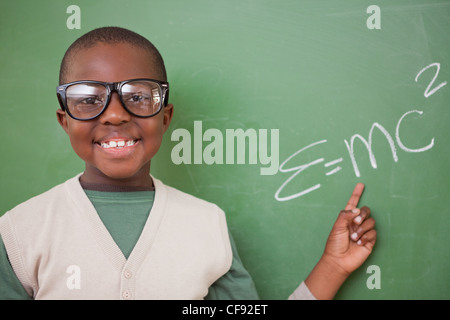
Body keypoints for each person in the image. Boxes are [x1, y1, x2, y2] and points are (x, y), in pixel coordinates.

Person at [0, 26, 376, 300]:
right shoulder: (19, 233)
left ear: (164, 117)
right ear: (65, 120)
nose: (114, 115)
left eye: (139, 96)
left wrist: (333, 267)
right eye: (87, 98)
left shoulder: (206, 224)